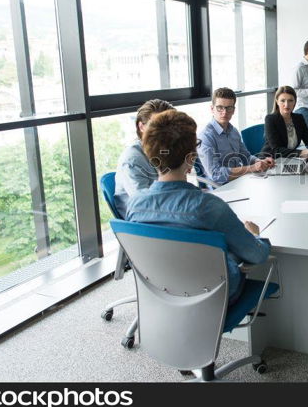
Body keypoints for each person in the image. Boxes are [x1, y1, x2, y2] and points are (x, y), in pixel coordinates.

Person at [126, 110, 271, 305]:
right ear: (191, 158)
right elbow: (258, 254)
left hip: (161, 294)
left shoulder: (134, 205)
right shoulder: (209, 207)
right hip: (216, 295)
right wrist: (254, 235)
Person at [198, 87, 275, 184]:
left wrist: (260, 162)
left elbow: (246, 157)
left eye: (229, 108)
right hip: (221, 187)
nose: (224, 112)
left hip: (240, 180)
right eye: (220, 107)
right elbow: (216, 174)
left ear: (233, 110)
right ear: (212, 109)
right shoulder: (206, 137)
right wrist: (252, 168)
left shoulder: (233, 131)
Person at [113, 99, 175, 217]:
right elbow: (145, 205)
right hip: (145, 223)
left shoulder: (164, 150)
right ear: (141, 126)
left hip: (166, 211)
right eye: (157, 125)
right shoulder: (132, 160)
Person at [259, 86, 308, 158]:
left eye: (290, 100)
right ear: (277, 101)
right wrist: (301, 152)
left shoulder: (299, 118)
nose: (286, 105)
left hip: (288, 159)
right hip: (269, 161)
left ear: (295, 102)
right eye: (282, 100)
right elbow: (276, 150)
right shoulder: (270, 119)